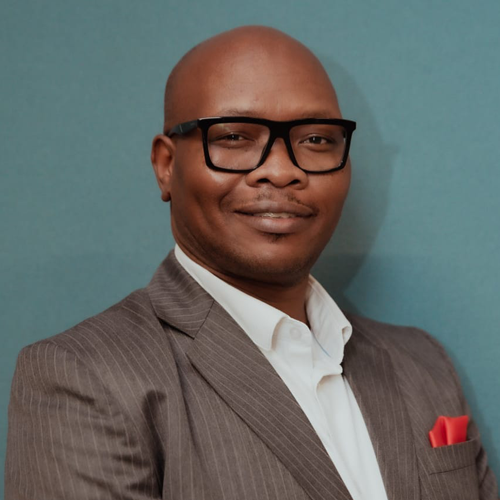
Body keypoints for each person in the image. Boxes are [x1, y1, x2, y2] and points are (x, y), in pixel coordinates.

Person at [5, 25, 498, 500]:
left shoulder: (423, 363)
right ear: (167, 166)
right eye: (235, 137)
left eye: (315, 140)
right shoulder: (85, 377)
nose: (281, 172)